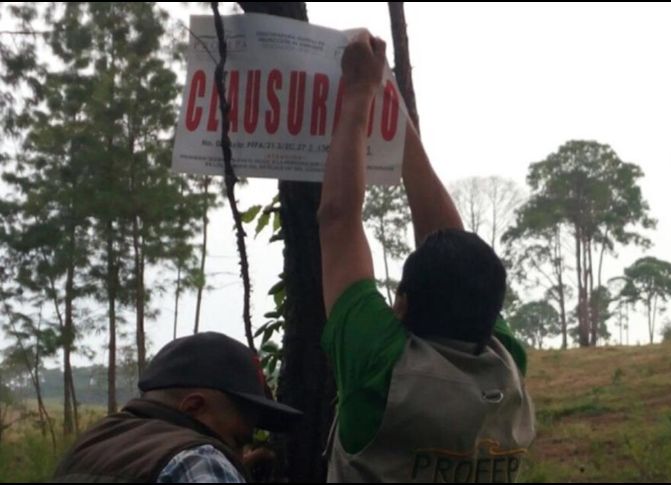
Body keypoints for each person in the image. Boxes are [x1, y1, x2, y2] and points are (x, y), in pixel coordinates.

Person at [317, 32, 535, 483]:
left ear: (403, 304)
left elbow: (340, 219)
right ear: (493, 312)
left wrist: (360, 92)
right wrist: (393, 115)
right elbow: (446, 241)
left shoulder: (382, 368)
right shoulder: (506, 364)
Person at [53, 332, 302, 483]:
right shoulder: (199, 461)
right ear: (194, 407)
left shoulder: (89, 446)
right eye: (237, 441)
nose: (239, 456)